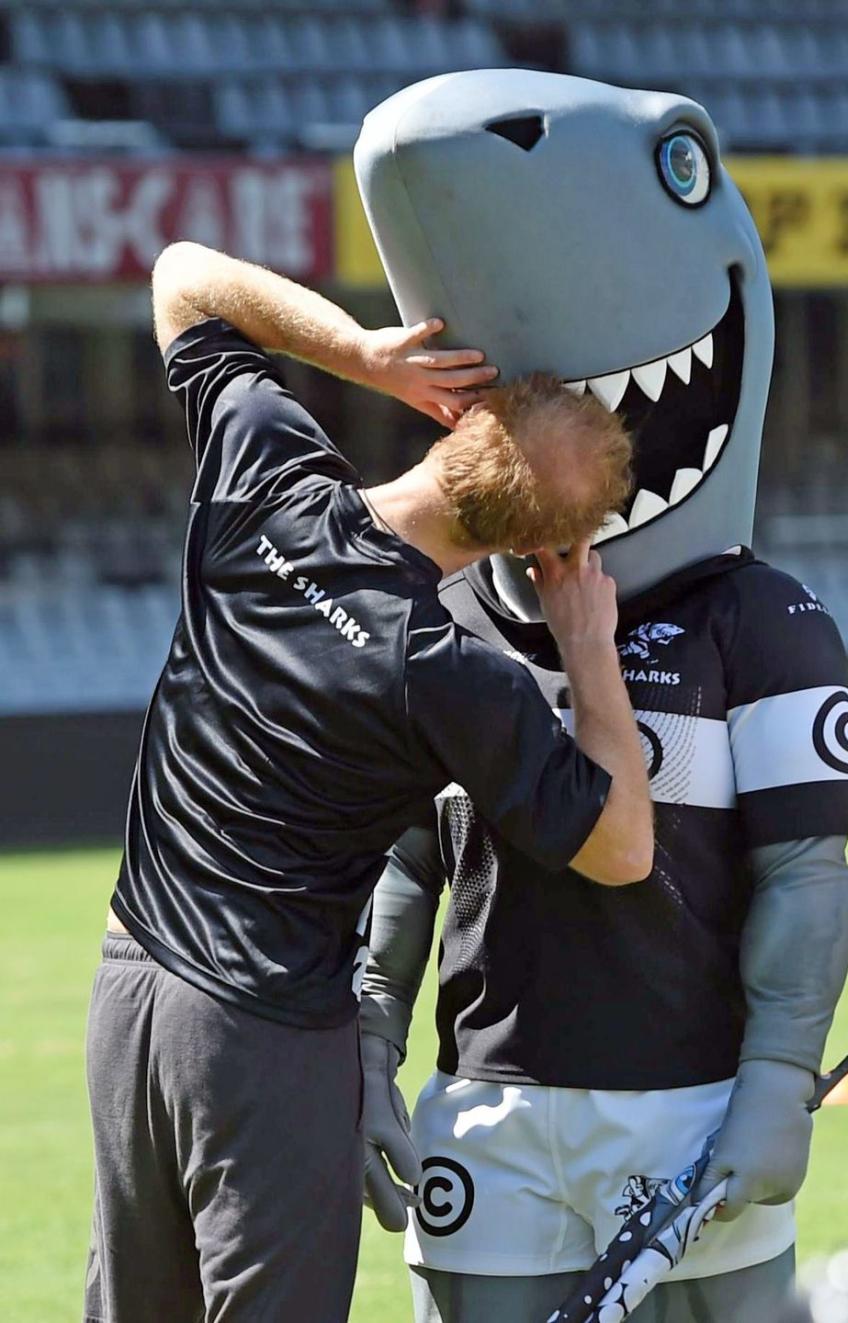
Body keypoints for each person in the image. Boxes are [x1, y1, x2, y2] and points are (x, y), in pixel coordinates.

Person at [355, 71, 848, 1323]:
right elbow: (407, 866)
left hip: (687, 1108)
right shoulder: (452, 610)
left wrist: (776, 1073)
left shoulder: (762, 620)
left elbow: (805, 869)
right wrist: (368, 1037)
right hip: (489, 1109)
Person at [83, 240, 655, 1323]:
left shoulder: (270, 472)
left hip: (129, 988)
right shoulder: (451, 679)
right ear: (539, 554)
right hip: (262, 1036)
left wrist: (362, 353)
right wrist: (587, 648)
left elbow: (181, 278)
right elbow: (624, 847)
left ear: (457, 421)